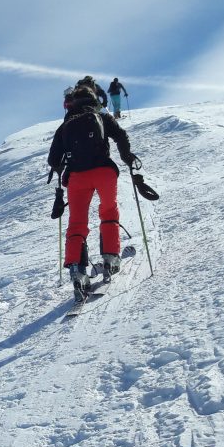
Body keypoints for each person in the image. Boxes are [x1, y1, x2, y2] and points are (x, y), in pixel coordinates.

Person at [47, 84, 139, 302]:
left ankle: (78, 272)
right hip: (104, 172)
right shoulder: (100, 116)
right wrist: (127, 158)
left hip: (77, 178)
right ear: (93, 99)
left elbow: (53, 160)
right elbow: (121, 135)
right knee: (108, 211)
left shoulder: (66, 124)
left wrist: (65, 166)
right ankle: (110, 259)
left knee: (77, 223)